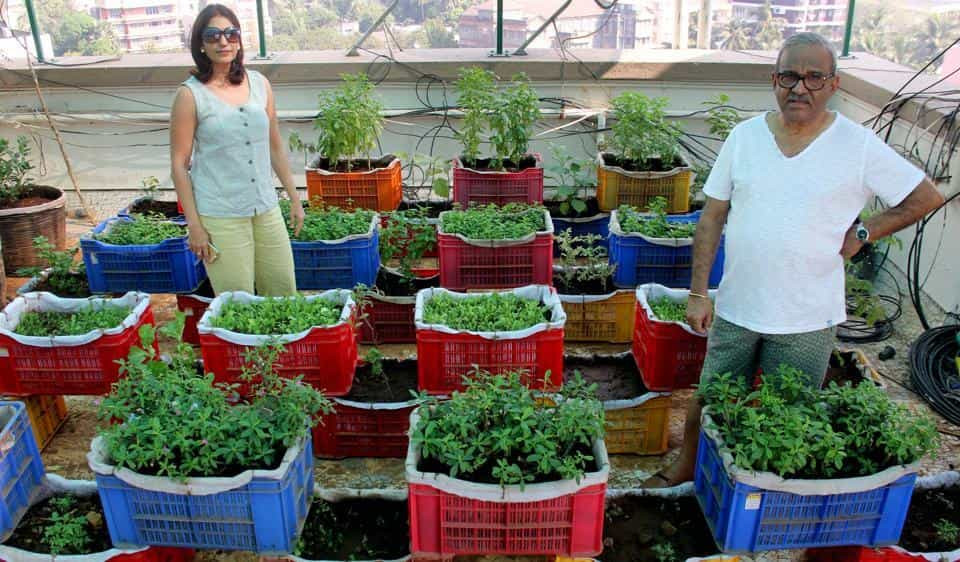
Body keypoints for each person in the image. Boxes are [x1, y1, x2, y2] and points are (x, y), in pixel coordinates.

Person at [645, 32, 945, 487]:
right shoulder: (745, 138)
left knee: (789, 413)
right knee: (709, 399)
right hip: (740, 306)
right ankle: (687, 467)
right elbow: (711, 218)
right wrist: (699, 293)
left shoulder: (857, 145)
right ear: (774, 80)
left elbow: (925, 197)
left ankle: (759, 492)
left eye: (813, 77)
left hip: (808, 315)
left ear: (833, 85)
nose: (799, 88)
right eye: (789, 76)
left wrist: (864, 232)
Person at [170, 3, 304, 296]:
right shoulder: (190, 94)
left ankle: (279, 344)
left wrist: (294, 198)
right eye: (212, 35)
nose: (223, 41)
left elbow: (275, 145)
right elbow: (180, 165)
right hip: (221, 214)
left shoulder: (259, 83)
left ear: (239, 40)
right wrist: (194, 225)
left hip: (265, 206)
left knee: (283, 291)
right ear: (201, 44)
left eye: (231, 33)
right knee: (237, 300)